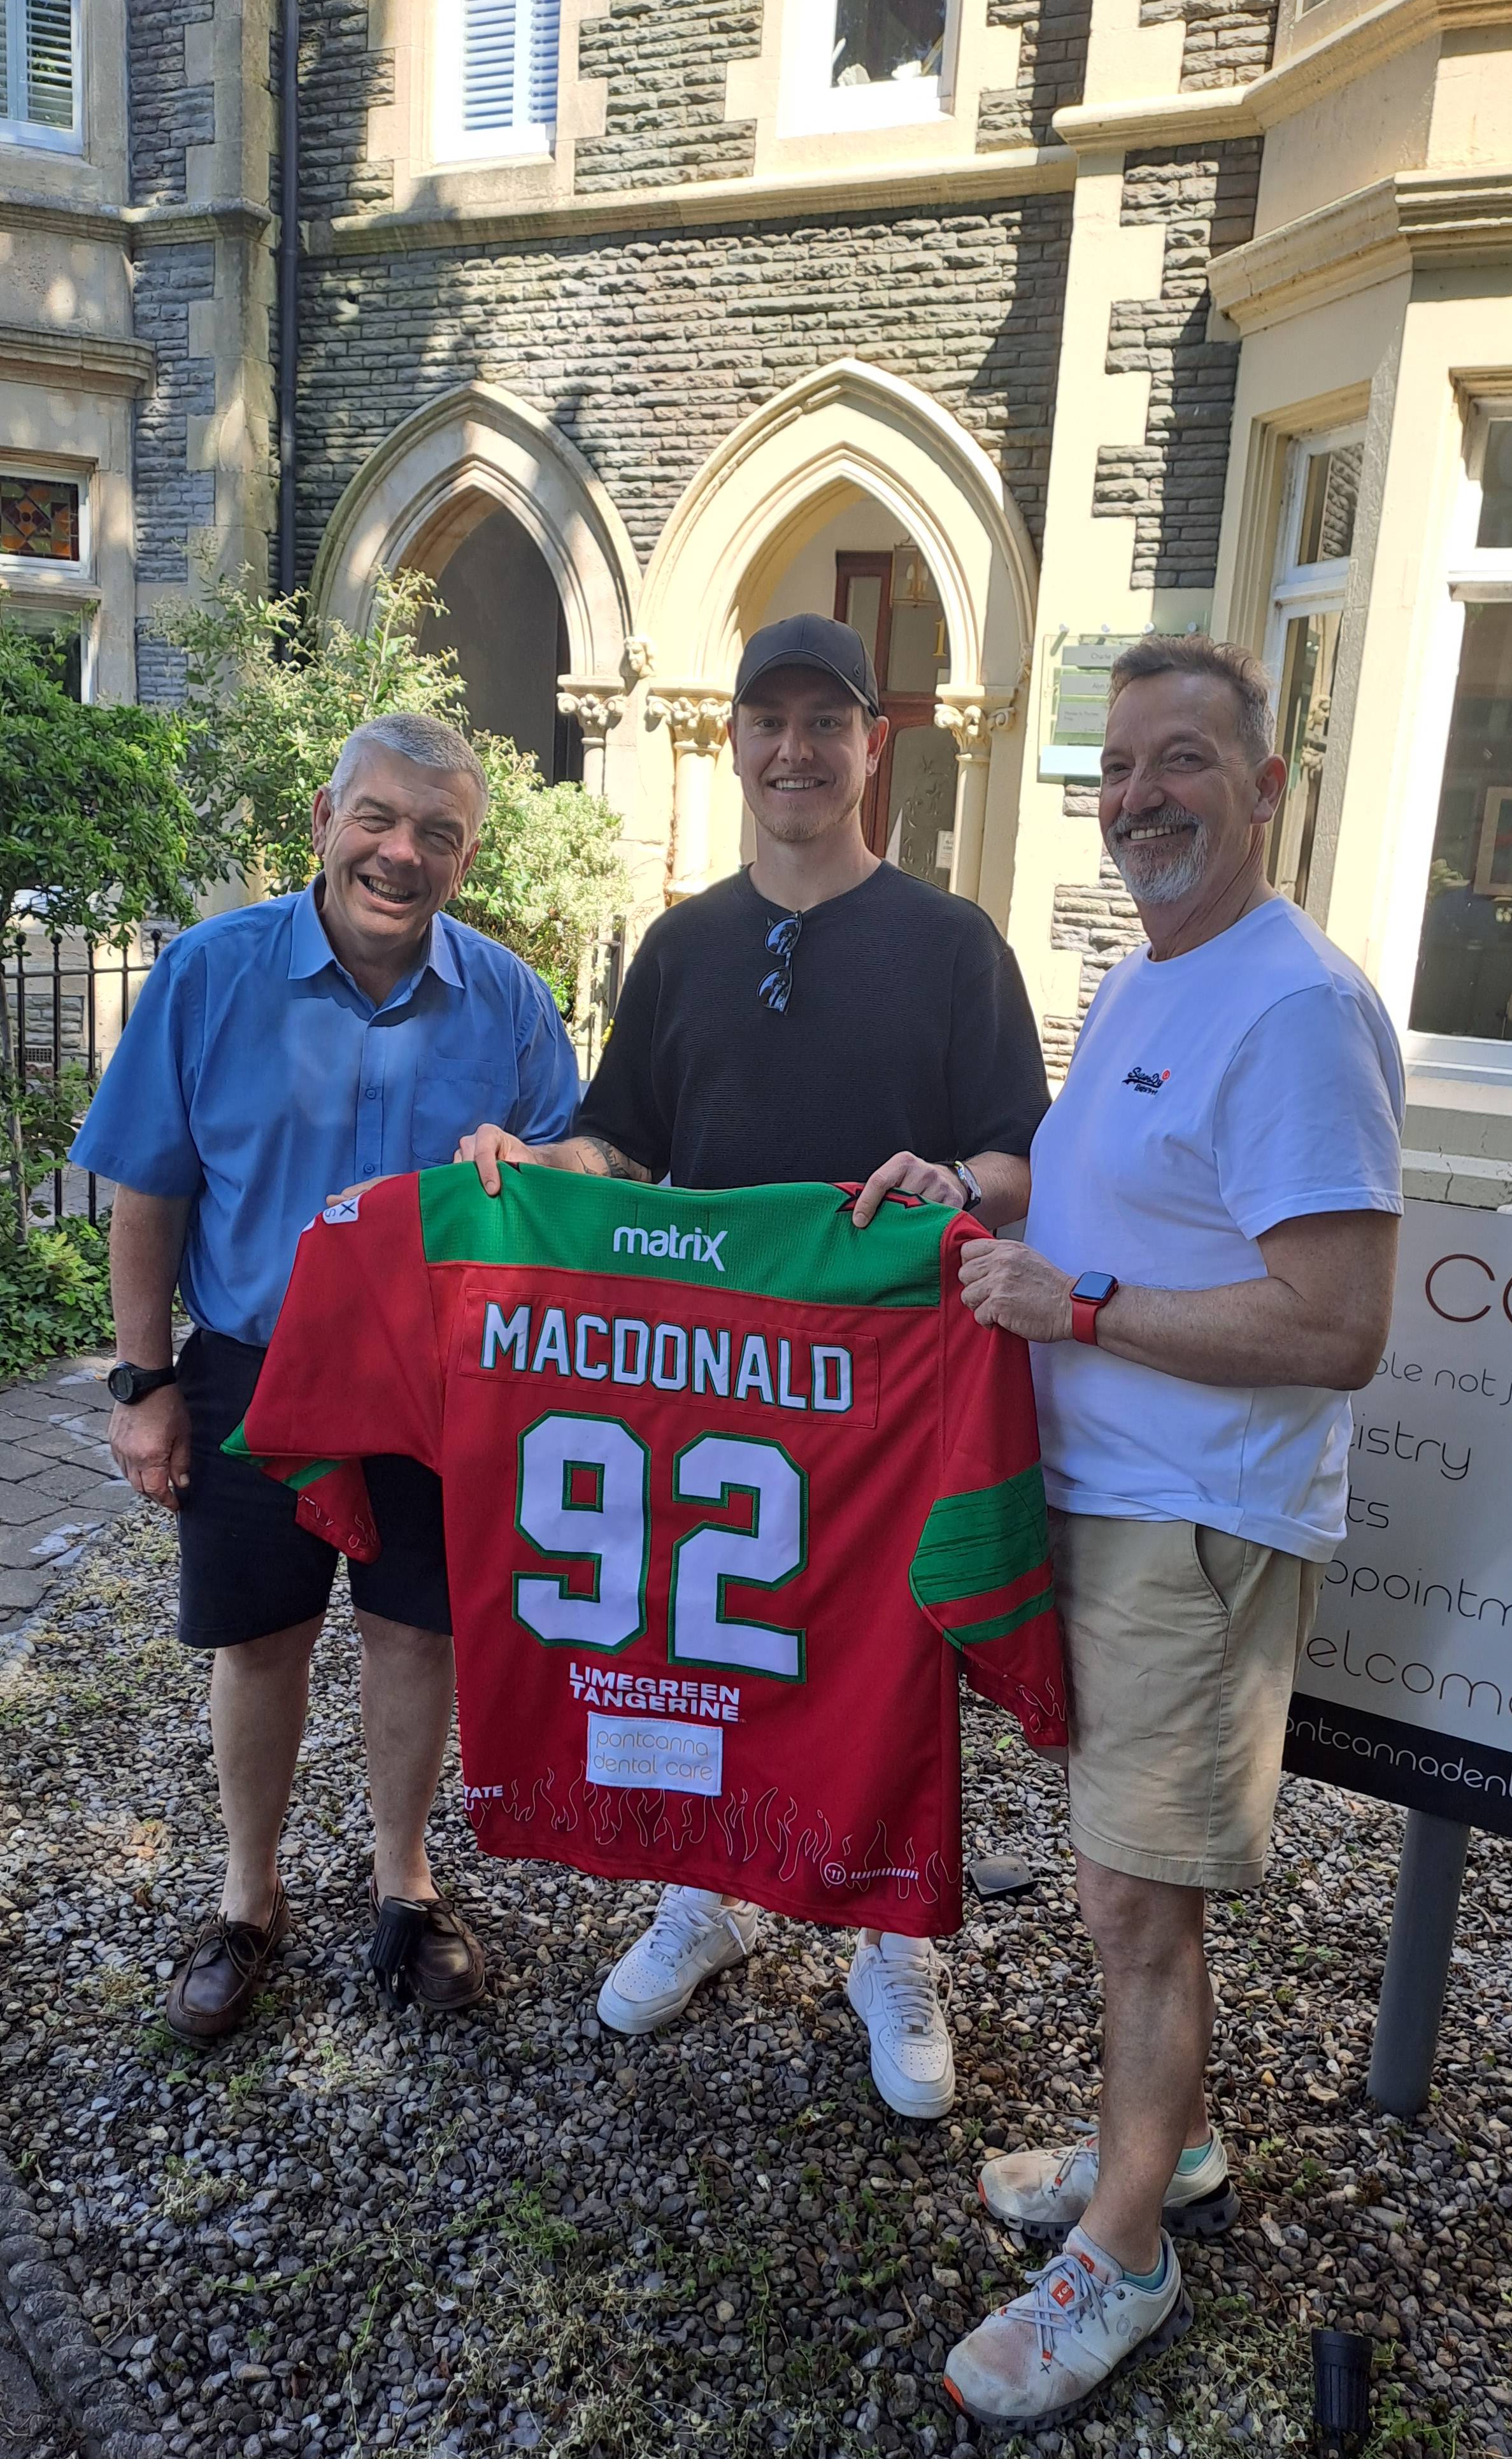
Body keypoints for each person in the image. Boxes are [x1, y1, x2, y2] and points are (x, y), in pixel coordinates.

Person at [453, 611, 1049, 2119]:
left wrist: (956, 1189)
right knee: (710, 1637)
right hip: (714, 1379)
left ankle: (886, 1930)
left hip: (887, 1380)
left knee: (885, 1648)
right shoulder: (684, 943)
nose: (796, 749)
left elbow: (1023, 1156)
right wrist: (541, 1165)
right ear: (735, 741)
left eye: (826, 722)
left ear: (872, 744)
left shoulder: (953, 943)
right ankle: (706, 1890)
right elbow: (622, 1132)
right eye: (769, 720)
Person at [940, 633, 1403, 2427]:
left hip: (1194, 1531)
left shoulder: (1294, 1006)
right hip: (1111, 1502)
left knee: (1136, 1897)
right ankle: (1170, 2146)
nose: (1142, 798)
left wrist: (1084, 1304)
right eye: (1122, 766)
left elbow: (1337, 1325)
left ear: (1269, 789)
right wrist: (972, 1198)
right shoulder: (1154, 978)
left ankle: (1125, 2247)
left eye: (1186, 762)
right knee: (1120, 1879)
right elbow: (1090, 1199)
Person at [71, 714, 578, 2043]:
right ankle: (248, 1897)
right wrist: (144, 1382)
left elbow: (592, 1161)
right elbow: (147, 1187)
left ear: (466, 858)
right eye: (380, 818)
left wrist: (541, 1165)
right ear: (323, 816)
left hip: (434, 1381)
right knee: (262, 1636)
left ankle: (401, 1881)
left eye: (438, 834)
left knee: (419, 1628)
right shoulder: (209, 974)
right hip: (254, 1365)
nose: (401, 853)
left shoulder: (512, 1004)